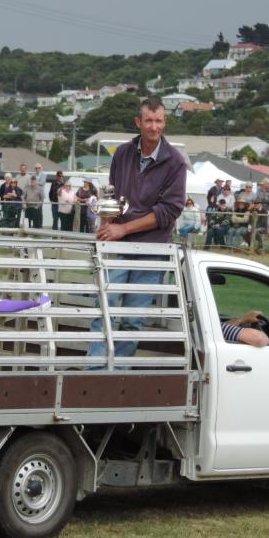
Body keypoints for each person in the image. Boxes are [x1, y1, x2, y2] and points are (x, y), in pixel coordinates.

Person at [89, 97, 186, 360]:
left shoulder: (176, 162)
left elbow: (170, 210)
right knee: (104, 311)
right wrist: (107, 225)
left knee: (132, 320)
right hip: (117, 245)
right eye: (149, 121)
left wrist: (124, 229)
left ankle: (117, 379)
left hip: (150, 250)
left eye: (159, 121)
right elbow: (113, 196)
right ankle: (93, 374)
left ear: (165, 122)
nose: (154, 127)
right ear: (138, 122)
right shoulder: (122, 154)